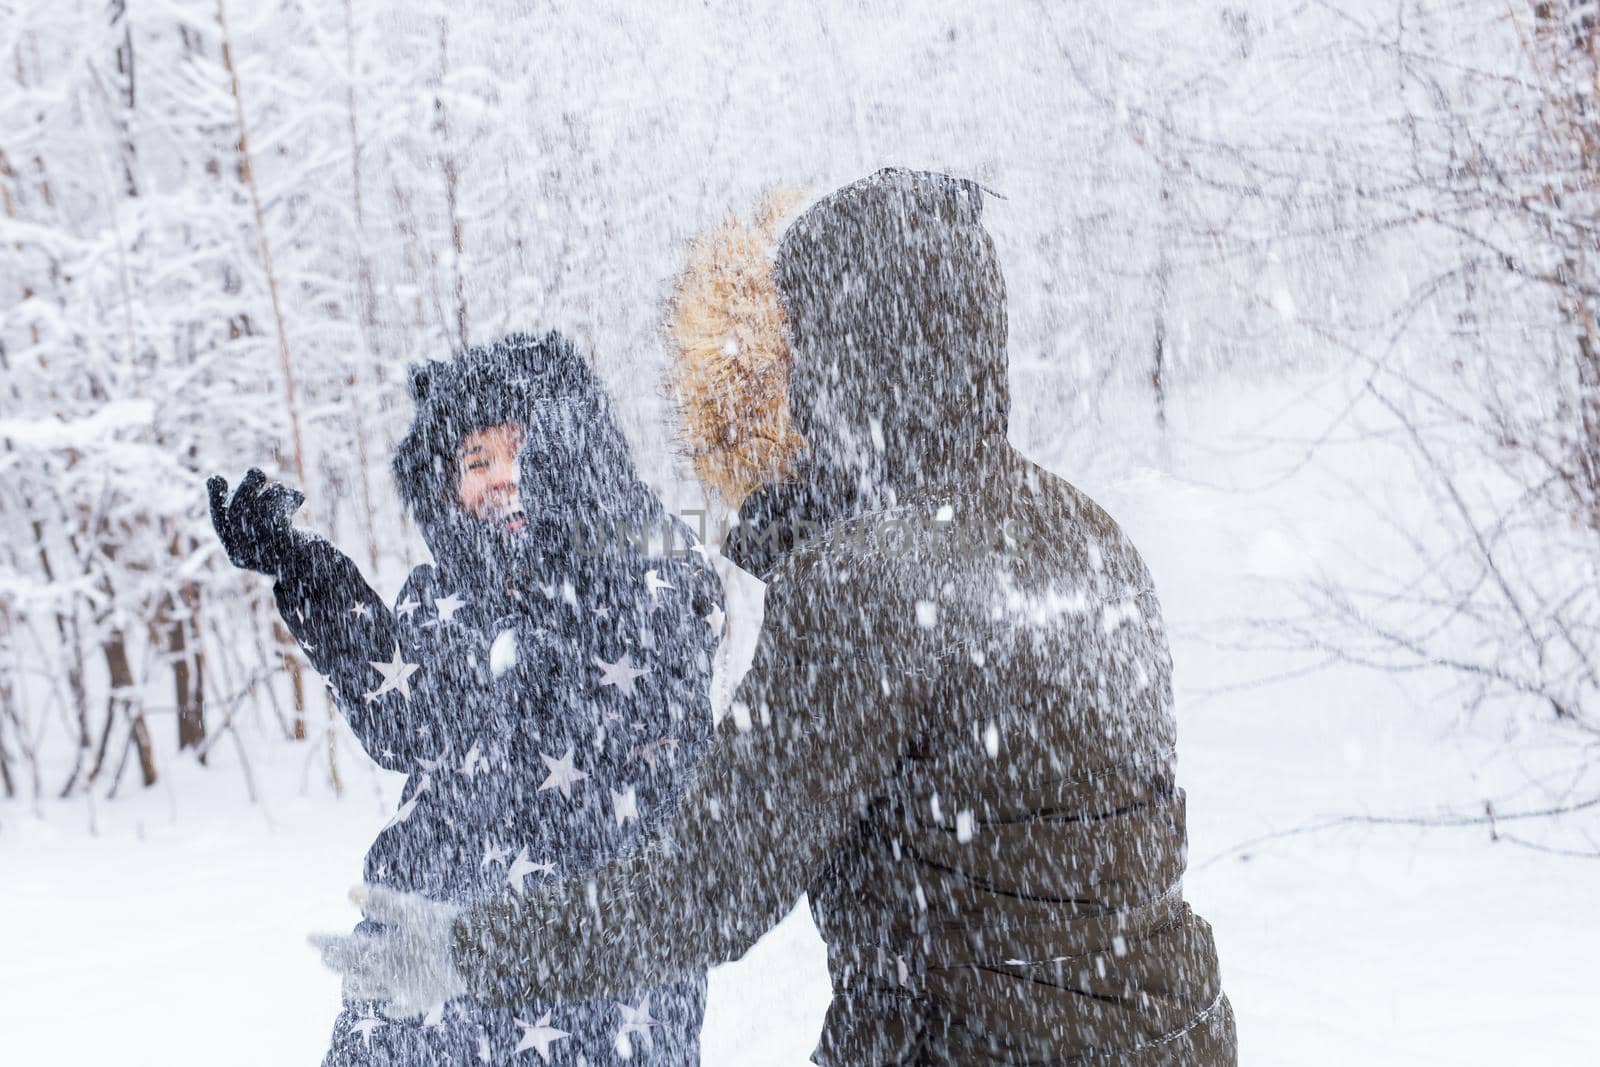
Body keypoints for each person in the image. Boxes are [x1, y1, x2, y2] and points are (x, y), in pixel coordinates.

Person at [317, 171, 1236, 1064]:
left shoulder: (866, 589)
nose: (793, 394)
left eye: (803, 353)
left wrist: (467, 952)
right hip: (1172, 1030)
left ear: (851, 357)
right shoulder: (1084, 535)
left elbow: (706, 886)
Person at [209, 331, 723, 1064]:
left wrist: (562, 563)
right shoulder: (441, 596)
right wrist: (304, 570)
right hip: (430, 943)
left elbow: (667, 680)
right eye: (475, 462)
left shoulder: (649, 553)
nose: (500, 478)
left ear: (572, 447)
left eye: (519, 450)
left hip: (592, 956)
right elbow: (401, 723)